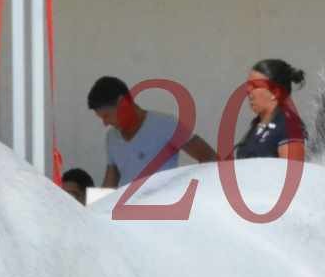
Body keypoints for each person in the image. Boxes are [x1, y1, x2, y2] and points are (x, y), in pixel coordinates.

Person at [87, 76, 217, 189]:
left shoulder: (166, 125)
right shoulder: (111, 137)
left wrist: (187, 190)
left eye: (106, 116)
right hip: (126, 213)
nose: (105, 123)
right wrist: (91, 213)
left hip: (161, 212)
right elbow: (110, 183)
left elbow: (210, 158)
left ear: (122, 103)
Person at [233, 59, 308, 161]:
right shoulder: (257, 126)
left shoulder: (290, 126)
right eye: (248, 85)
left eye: (255, 86)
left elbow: (293, 173)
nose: (248, 91)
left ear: (275, 93)